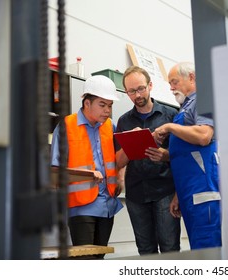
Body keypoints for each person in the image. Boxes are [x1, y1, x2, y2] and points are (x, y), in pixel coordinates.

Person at [50, 75, 124, 259]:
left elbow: (117, 160)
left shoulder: (110, 126)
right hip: (80, 206)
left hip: (107, 206)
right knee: (85, 261)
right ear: (87, 103)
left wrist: (121, 176)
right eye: (102, 104)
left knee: (99, 259)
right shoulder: (67, 126)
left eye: (110, 105)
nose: (107, 110)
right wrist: (88, 174)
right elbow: (55, 172)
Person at [152, 62, 222, 250]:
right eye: (170, 83)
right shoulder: (185, 108)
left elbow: (204, 136)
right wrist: (178, 194)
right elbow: (186, 154)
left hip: (203, 191)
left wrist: (169, 127)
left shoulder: (202, 100)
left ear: (192, 77)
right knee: (198, 248)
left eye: (174, 82)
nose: (171, 88)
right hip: (189, 192)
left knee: (209, 250)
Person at [115, 66, 181, 255]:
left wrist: (165, 154)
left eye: (141, 88)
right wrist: (130, 143)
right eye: (132, 91)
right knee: (145, 251)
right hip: (136, 194)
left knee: (170, 249)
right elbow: (118, 163)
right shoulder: (123, 121)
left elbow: (182, 156)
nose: (137, 95)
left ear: (150, 85)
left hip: (165, 191)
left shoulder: (171, 115)